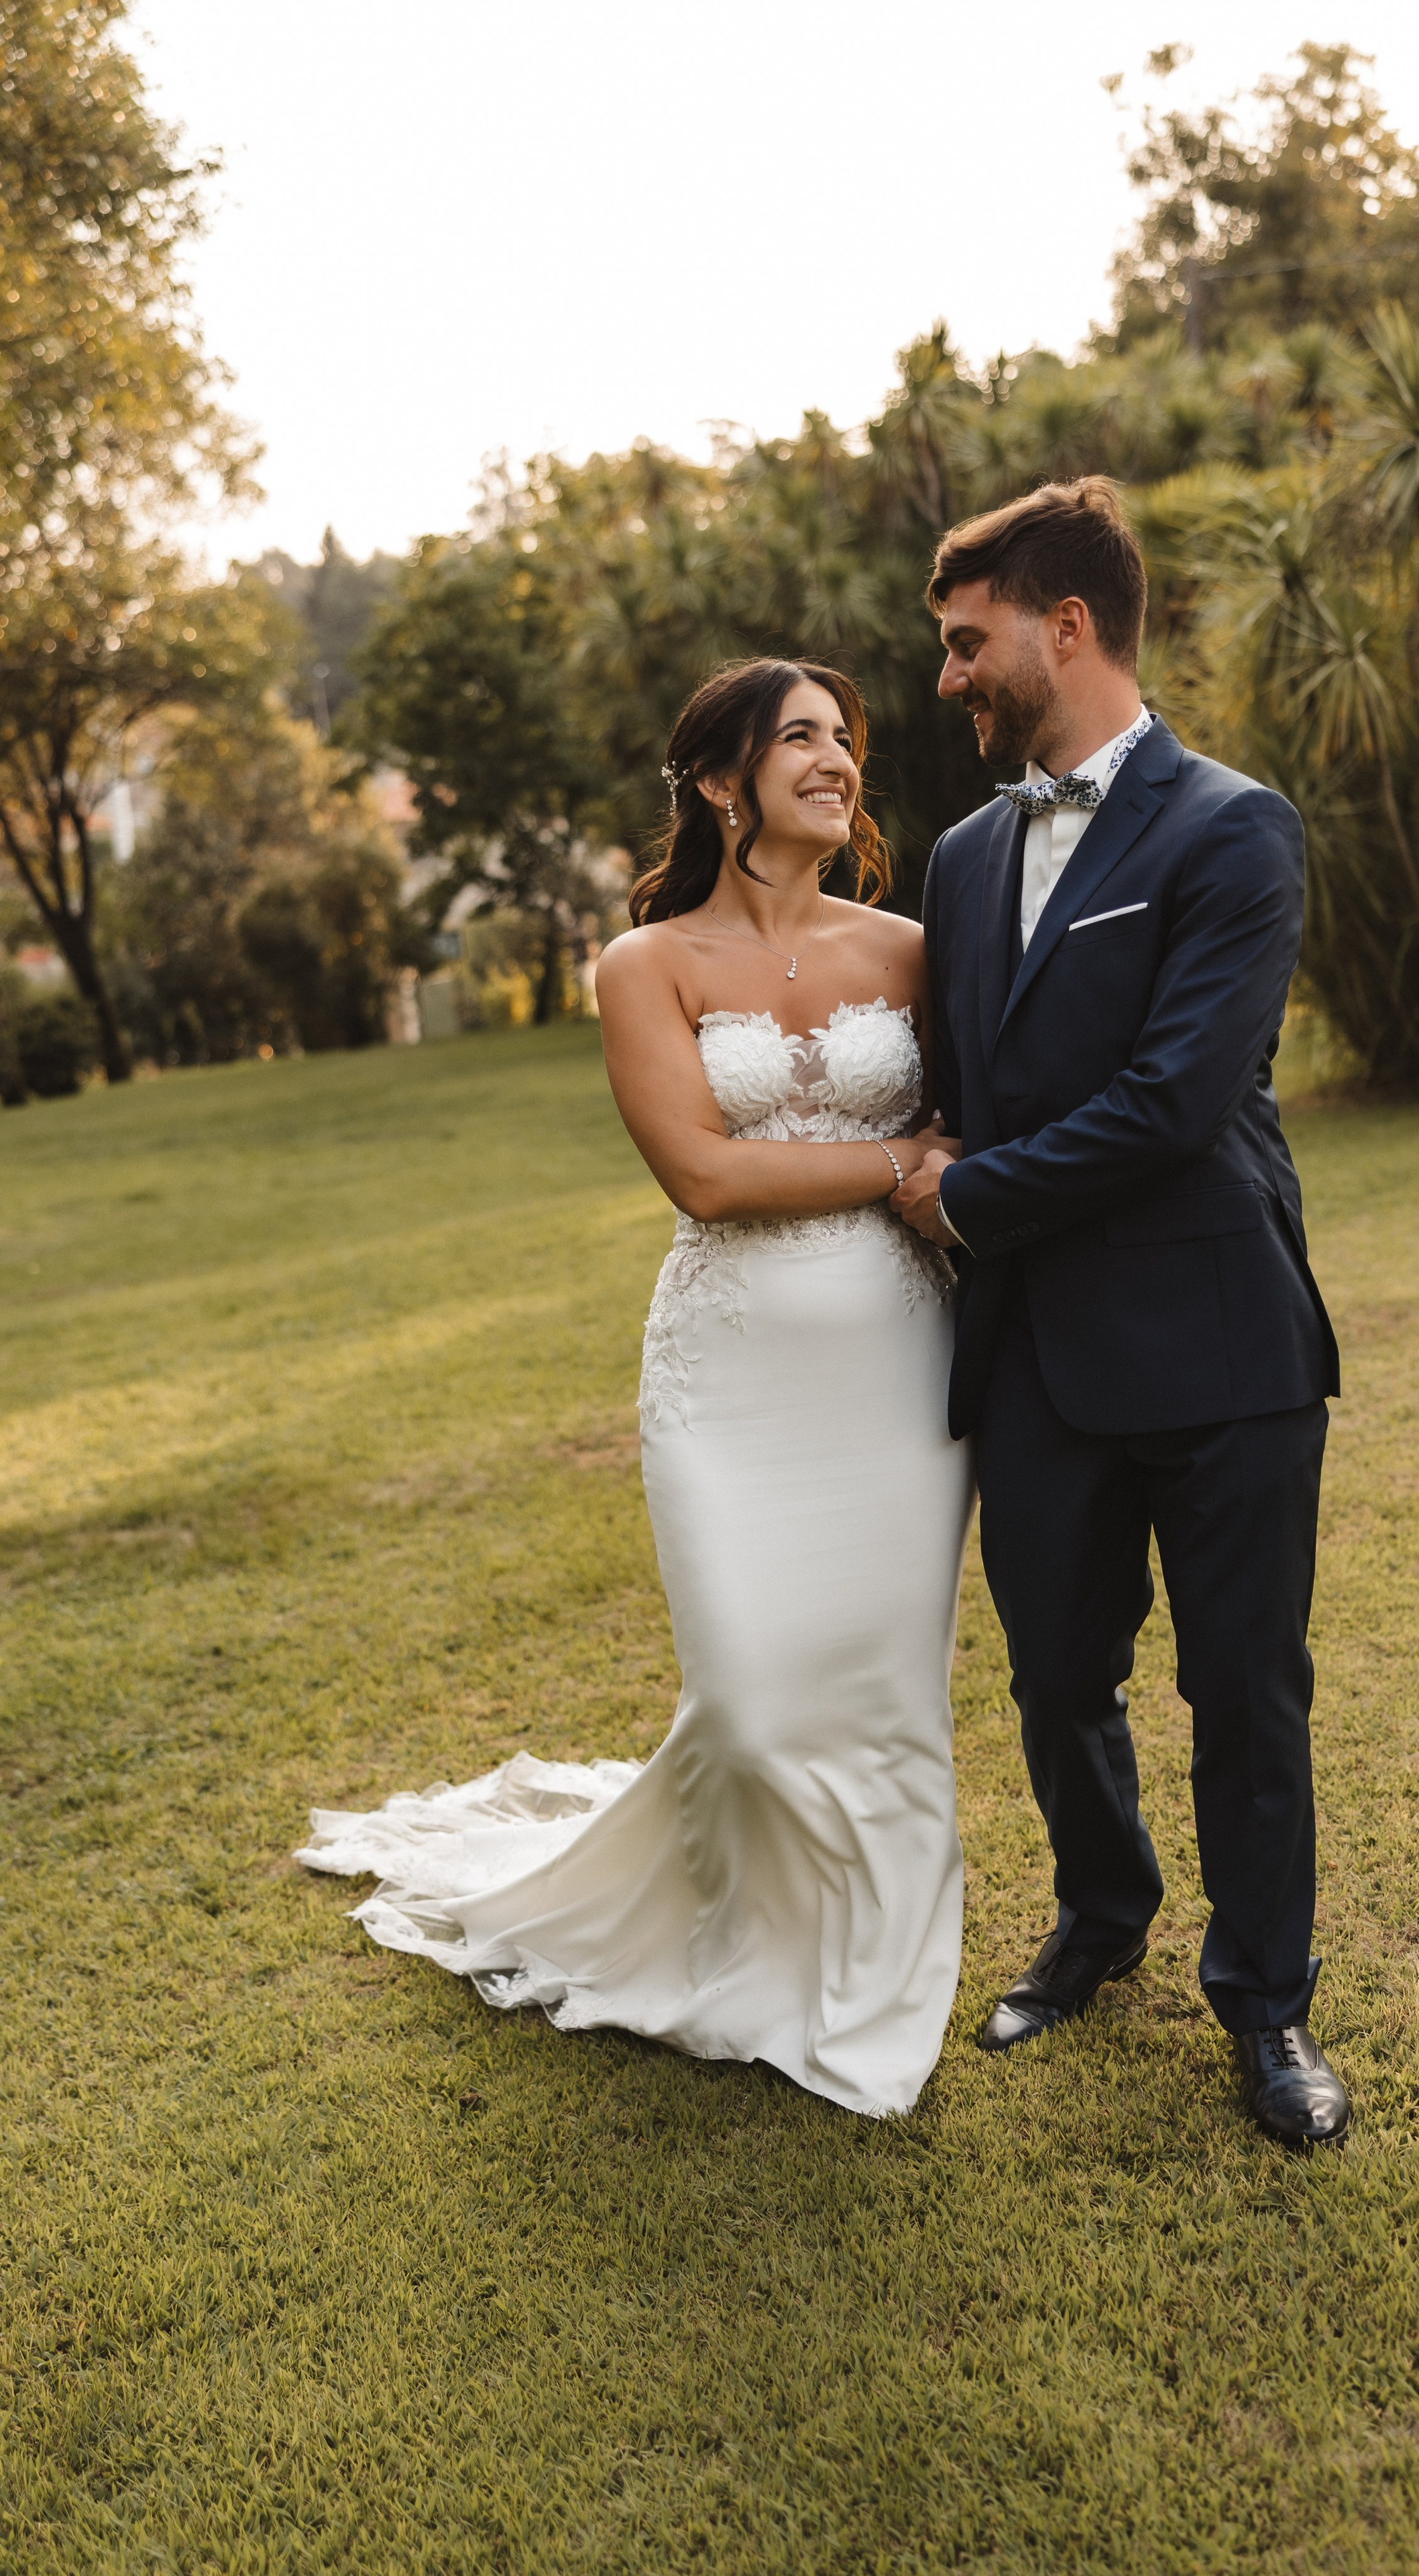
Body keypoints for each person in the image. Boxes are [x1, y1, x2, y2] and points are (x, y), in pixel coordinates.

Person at [300, 659, 972, 2120]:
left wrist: (941, 1172)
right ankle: (730, 1938)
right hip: (728, 1381)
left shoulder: (917, 947)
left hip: (899, 1381)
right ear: (721, 781)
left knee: (883, 1697)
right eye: (798, 739)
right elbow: (708, 1175)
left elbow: (968, 1124)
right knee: (746, 1701)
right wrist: (893, 1165)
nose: (834, 761)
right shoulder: (645, 966)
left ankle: (874, 1989)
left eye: (842, 741)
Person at [890, 477, 1351, 2149]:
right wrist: (929, 1151)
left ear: (1060, 629)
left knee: (1242, 1689)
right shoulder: (955, 859)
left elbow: (1171, 1103)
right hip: (1031, 1359)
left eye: (965, 643)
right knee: (1055, 1675)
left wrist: (964, 1191)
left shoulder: (1233, 828)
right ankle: (1098, 1925)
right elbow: (948, 1085)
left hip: (1217, 1343)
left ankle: (1268, 2009)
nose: (948, 676)